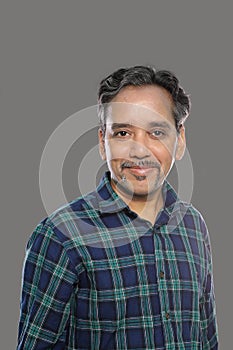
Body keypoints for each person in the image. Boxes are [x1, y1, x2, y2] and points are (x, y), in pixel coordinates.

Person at [17, 66, 218, 349]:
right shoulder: (61, 236)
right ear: (103, 142)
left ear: (180, 140)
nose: (139, 150)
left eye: (157, 131)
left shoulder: (193, 226)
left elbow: (206, 337)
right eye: (123, 133)